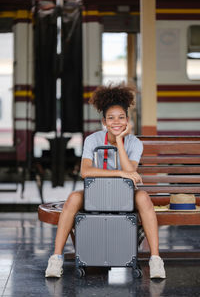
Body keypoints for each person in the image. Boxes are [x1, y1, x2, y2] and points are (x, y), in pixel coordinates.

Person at [45, 84, 166, 279]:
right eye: (111, 118)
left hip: (125, 194)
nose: (116, 121)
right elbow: (85, 172)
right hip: (96, 192)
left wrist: (119, 141)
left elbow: (131, 173)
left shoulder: (134, 143)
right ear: (104, 121)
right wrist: (119, 173)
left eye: (121, 117)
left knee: (143, 197)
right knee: (74, 198)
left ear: (127, 120)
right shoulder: (93, 140)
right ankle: (56, 258)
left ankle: (155, 260)